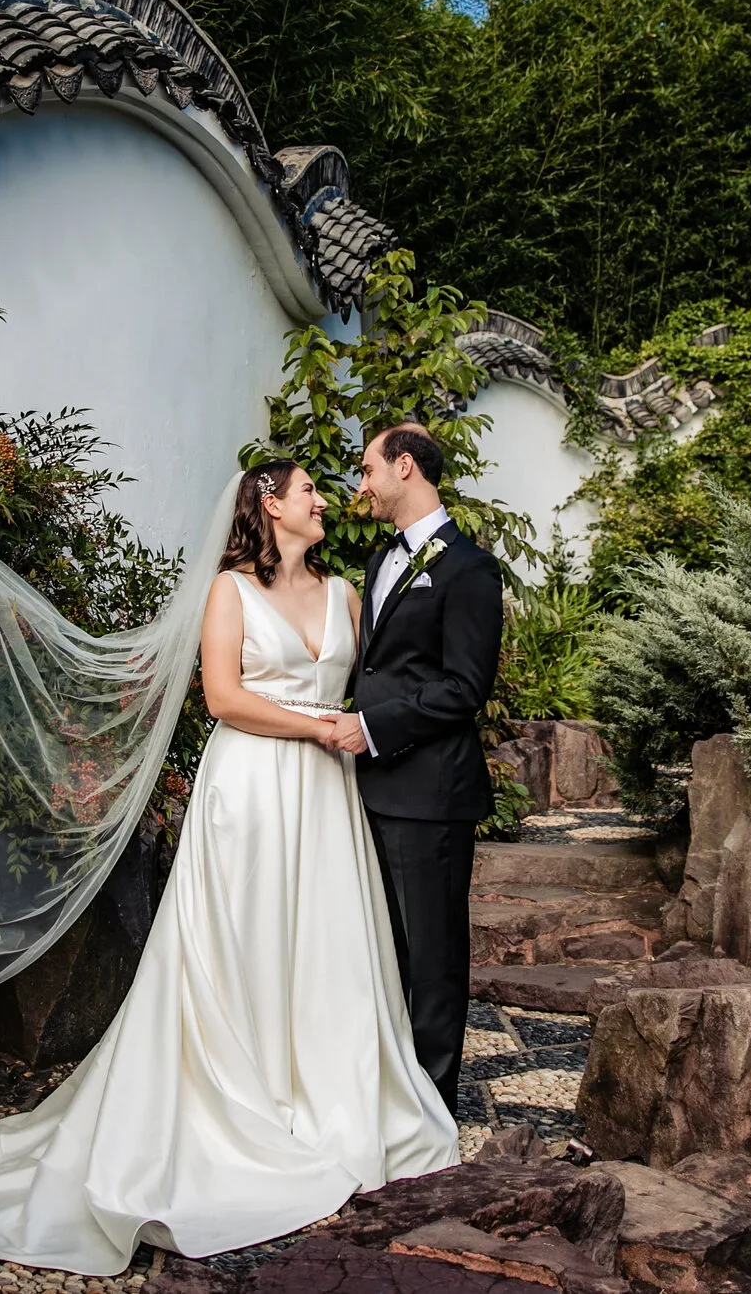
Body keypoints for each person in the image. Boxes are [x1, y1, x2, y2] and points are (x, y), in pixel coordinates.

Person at [0, 460, 458, 1274]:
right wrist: (319, 726)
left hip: (325, 798)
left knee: (325, 945)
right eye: (307, 491)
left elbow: (369, 690)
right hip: (252, 790)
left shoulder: (346, 595)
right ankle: (242, 1102)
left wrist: (358, 728)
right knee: (242, 943)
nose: (323, 499)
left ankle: (324, 1095)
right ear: (269, 503)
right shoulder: (230, 593)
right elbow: (222, 697)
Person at [328, 424, 506, 1115]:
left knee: (432, 959)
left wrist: (371, 728)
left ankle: (433, 1111)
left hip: (430, 793)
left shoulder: (469, 569)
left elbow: (465, 687)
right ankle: (390, 1096)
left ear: (405, 466)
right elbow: (379, 669)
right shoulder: (380, 563)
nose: (361, 484)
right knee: (384, 953)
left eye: (369, 469)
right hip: (369, 789)